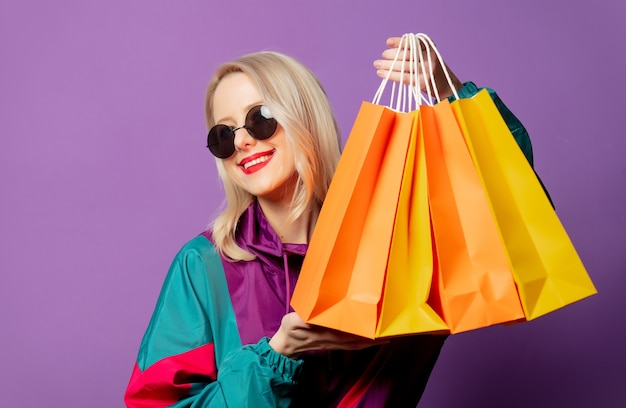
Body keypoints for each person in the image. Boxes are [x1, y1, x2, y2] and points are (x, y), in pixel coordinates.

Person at [124, 36, 537, 407]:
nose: (243, 141)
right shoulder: (203, 266)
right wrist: (277, 356)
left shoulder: (397, 240)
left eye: (260, 117)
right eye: (223, 135)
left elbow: (506, 202)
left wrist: (452, 95)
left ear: (304, 117)